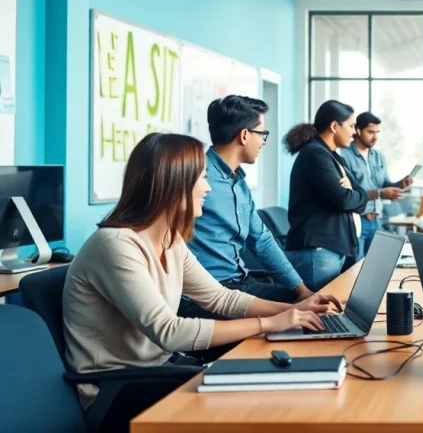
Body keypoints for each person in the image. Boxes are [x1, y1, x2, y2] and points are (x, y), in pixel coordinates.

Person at [62, 133, 341, 420]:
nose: (207, 188)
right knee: (254, 406)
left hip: (161, 369)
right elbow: (169, 332)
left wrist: (295, 309)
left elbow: (220, 298)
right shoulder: (116, 245)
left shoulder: (170, 239)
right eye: (202, 178)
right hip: (117, 391)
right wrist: (269, 323)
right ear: (173, 183)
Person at [181, 96, 314, 325]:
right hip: (207, 294)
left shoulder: (240, 183)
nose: (263, 142)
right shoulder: (195, 177)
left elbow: (262, 240)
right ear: (244, 135)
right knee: (298, 316)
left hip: (241, 283)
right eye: (262, 134)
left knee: (312, 307)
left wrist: (302, 292)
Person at [283, 100, 368, 291]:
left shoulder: (334, 157)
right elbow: (344, 199)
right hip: (318, 253)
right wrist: (354, 194)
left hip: (332, 250)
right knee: (317, 309)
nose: (355, 132)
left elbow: (361, 197)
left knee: (331, 308)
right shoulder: (315, 154)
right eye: (351, 126)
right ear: (334, 126)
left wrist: (355, 194)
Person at [340, 112, 413, 259]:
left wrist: (400, 184)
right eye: (370, 132)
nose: (375, 137)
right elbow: (349, 192)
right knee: (356, 267)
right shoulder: (344, 155)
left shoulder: (378, 156)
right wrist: (381, 193)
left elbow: (384, 183)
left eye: (377, 132)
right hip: (357, 220)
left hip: (376, 221)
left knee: (377, 262)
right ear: (358, 130)